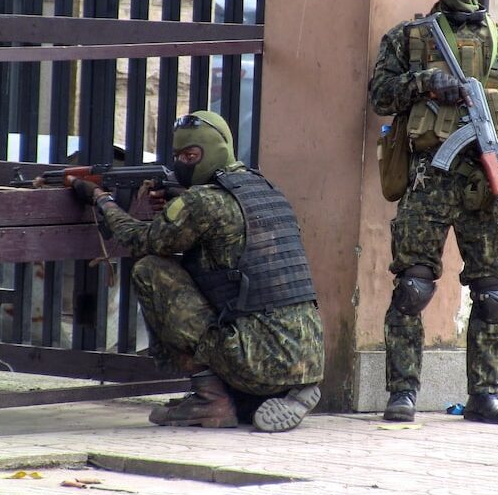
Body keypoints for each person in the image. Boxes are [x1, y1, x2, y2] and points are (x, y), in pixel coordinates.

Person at [368, 0, 498, 425]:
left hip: (486, 181)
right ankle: (402, 392)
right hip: (429, 178)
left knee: (494, 293)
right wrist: (425, 82)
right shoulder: (409, 38)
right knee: (413, 288)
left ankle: (485, 394)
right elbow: (380, 94)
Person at [70, 110, 324, 432]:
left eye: (191, 155)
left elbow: (140, 241)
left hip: (257, 354)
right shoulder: (266, 188)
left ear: (215, 151)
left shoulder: (203, 202)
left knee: (150, 271)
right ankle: (281, 386)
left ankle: (211, 399)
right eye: (178, 156)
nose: (182, 164)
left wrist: (101, 199)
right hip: (307, 349)